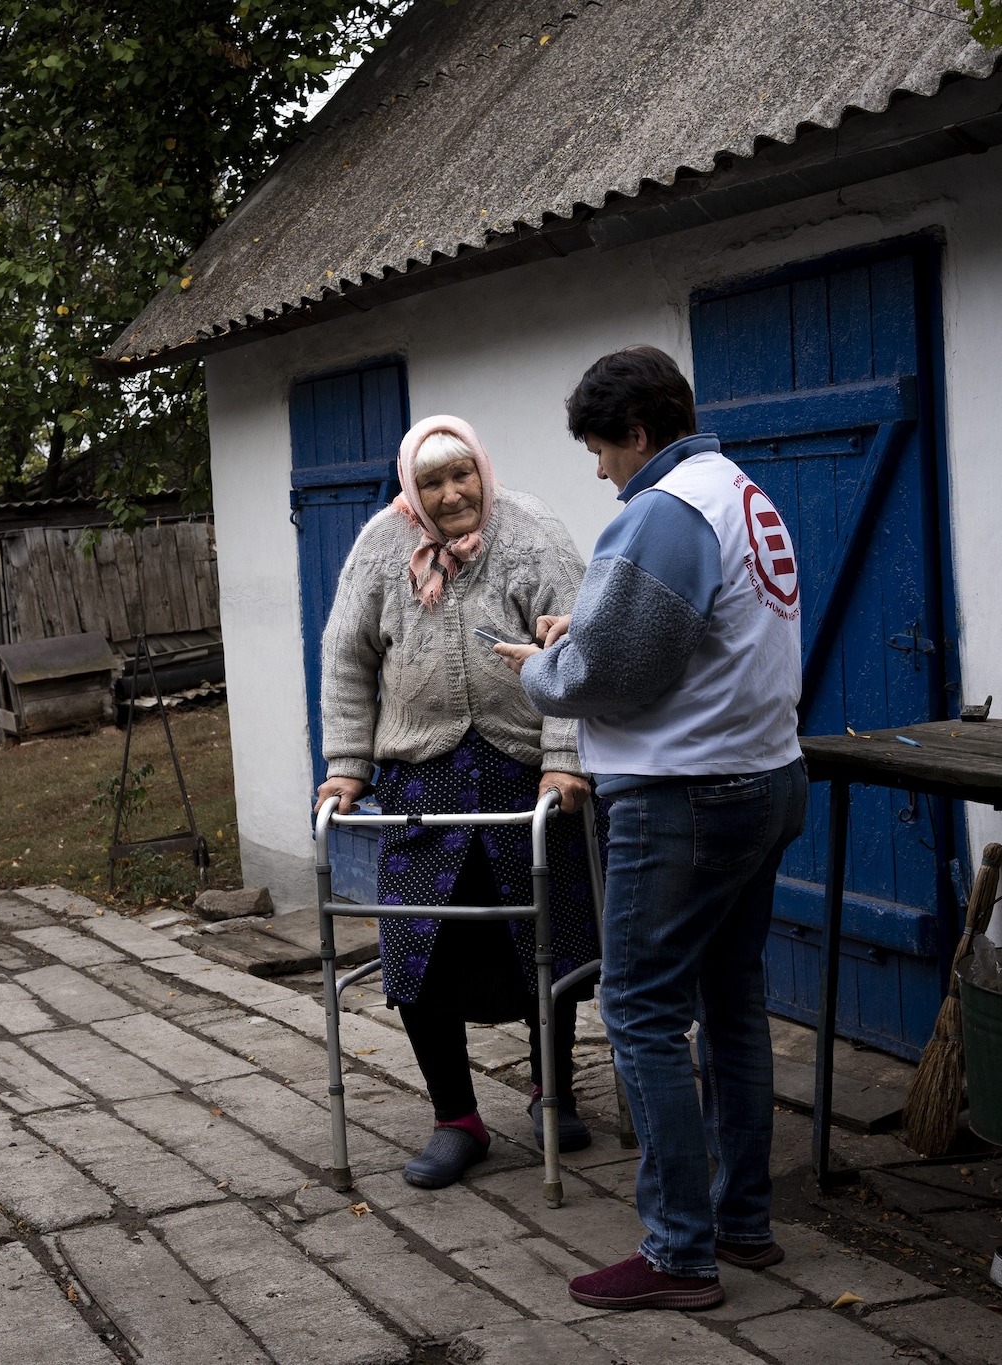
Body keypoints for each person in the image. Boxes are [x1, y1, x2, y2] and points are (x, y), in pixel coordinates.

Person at [495, 347, 807, 1311]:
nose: (599, 471)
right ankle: (741, 1220)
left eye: (601, 451)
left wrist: (541, 672)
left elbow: (617, 675)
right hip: (765, 775)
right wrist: (579, 633)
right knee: (730, 999)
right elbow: (682, 636)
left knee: (638, 1009)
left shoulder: (664, 510)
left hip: (683, 795)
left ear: (638, 433)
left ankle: (679, 1251)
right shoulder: (741, 493)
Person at [317, 413, 603, 1189]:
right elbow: (347, 656)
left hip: (525, 770)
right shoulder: (381, 545)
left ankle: (554, 1092)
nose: (451, 494)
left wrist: (566, 756)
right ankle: (457, 1119)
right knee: (418, 946)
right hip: (422, 777)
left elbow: (579, 643)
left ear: (482, 468)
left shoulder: (532, 531)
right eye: (433, 481)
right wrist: (346, 764)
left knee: (550, 930)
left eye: (462, 475)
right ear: (413, 486)